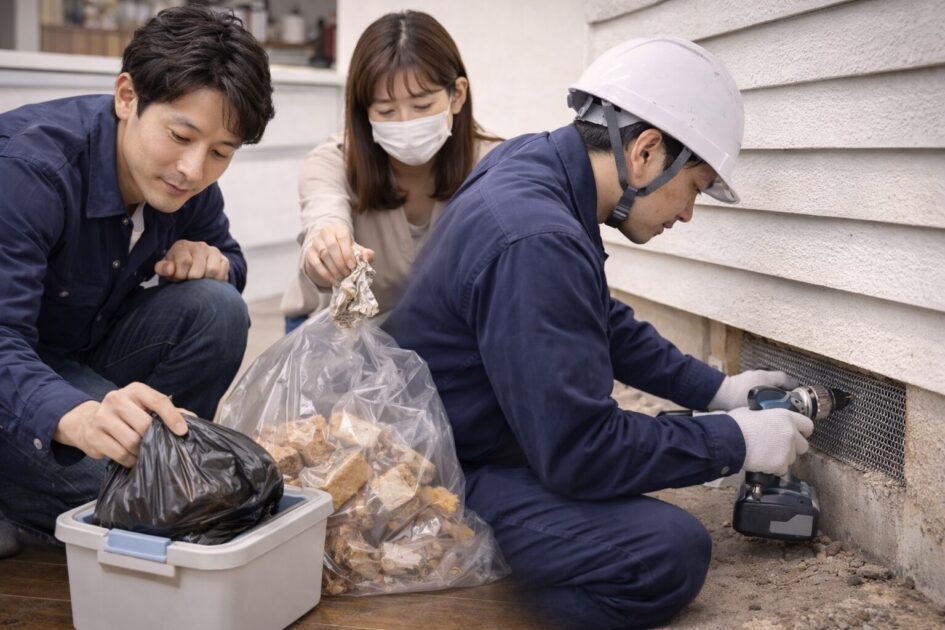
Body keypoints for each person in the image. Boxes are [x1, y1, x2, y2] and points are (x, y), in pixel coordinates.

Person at [383, 37, 813, 628]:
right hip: (436, 483)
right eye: (694, 186)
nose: (688, 213)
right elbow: (581, 453)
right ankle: (440, 606)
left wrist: (717, 392)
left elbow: (596, 319)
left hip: (453, 439)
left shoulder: (535, 167)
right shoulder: (538, 238)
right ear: (645, 151)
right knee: (664, 551)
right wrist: (733, 441)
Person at [0, 6, 274, 558]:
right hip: (18, 369)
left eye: (221, 153)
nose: (193, 170)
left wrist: (216, 262)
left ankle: (121, 485)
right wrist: (78, 419)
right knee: (152, 487)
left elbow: (233, 262)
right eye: (180, 136)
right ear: (127, 96)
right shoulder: (29, 172)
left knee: (216, 308)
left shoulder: (185, 185)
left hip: (73, 354)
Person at [280, 10, 500, 332]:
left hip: (444, 336)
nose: (406, 122)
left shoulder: (496, 165)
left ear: (457, 95)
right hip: (340, 335)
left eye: (422, 106)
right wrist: (327, 248)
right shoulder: (332, 161)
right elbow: (323, 215)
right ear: (363, 112)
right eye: (386, 110)